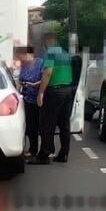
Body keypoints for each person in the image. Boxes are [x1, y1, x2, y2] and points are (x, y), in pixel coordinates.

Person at [29, 31, 74, 164]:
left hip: (54, 91)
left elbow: (48, 73)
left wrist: (41, 92)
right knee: (64, 124)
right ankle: (64, 153)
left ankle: (44, 155)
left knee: (47, 124)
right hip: (67, 90)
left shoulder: (50, 53)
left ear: (46, 41)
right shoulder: (66, 53)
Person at [16, 46, 44, 158]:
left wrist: (34, 85)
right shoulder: (23, 65)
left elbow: (45, 78)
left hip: (40, 98)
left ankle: (46, 149)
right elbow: (20, 81)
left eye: (22, 56)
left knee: (42, 126)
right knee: (31, 126)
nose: (21, 58)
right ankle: (33, 149)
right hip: (27, 98)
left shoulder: (40, 63)